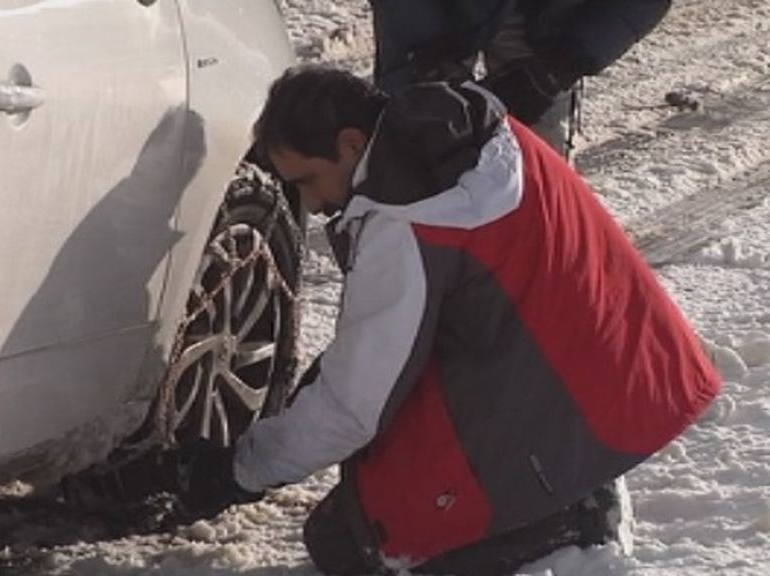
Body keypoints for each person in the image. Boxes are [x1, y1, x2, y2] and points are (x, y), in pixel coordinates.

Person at [175, 65, 720, 575]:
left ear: (351, 143)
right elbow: (383, 349)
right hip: (614, 383)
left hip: (561, 414)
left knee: (354, 543)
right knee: (356, 515)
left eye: (308, 180)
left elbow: (352, 408)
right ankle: (569, 491)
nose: (311, 204)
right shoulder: (469, 136)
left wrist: (237, 473)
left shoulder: (407, 219)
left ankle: (559, 521)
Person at [370, 0, 672, 155]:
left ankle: (546, 246)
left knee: (541, 143)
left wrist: (561, 63)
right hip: (437, 11)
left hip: (545, 19)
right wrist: (423, 53)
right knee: (420, 132)